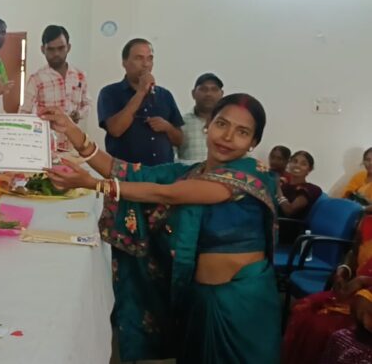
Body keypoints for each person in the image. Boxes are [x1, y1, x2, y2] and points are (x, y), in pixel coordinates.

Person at [42, 93, 280, 363]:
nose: (227, 137)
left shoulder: (250, 174)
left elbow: (168, 194)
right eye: (222, 124)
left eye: (242, 132)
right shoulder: (190, 172)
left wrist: (91, 184)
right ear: (208, 125)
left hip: (242, 304)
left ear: (253, 143)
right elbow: (127, 172)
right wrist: (72, 131)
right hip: (200, 298)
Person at [282, 214, 372, 364]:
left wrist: (363, 282)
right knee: (303, 310)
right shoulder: (368, 221)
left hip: (366, 301)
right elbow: (353, 252)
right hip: (351, 292)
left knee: (322, 329)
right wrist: (344, 270)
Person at [97, 38, 184, 165]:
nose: (146, 64)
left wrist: (168, 127)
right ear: (124, 63)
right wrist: (141, 92)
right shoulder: (110, 93)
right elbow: (115, 130)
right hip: (126, 172)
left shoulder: (165, 95)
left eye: (150, 58)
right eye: (139, 58)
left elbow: (180, 140)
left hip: (162, 171)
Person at [20, 25, 91, 152]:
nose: (56, 53)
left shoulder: (79, 75)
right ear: (43, 49)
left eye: (61, 48)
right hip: (46, 146)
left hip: (74, 144)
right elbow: (24, 113)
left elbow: (87, 104)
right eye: (51, 49)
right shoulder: (36, 78)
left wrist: (78, 114)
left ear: (68, 47)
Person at [177, 72, 224, 163]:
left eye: (214, 89)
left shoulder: (228, 124)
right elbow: (173, 156)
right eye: (203, 89)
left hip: (223, 171)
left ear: (222, 94)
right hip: (190, 172)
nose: (209, 94)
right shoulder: (181, 123)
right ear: (193, 93)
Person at [278, 150, 323, 245]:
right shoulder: (284, 186)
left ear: (309, 169)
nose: (297, 165)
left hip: (289, 232)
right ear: (289, 164)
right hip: (272, 225)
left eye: (303, 164)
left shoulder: (311, 189)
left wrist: (277, 189)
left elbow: (289, 211)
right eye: (294, 161)